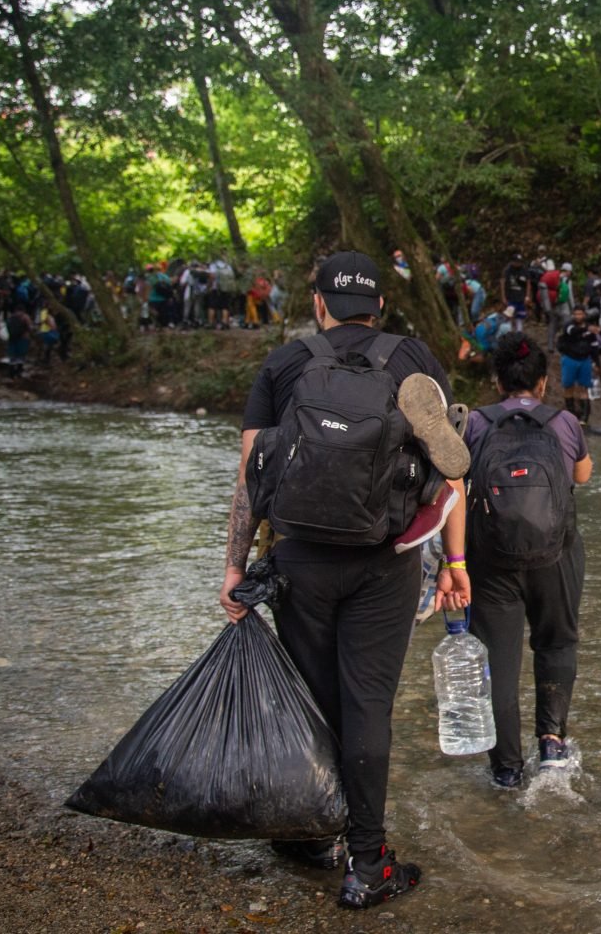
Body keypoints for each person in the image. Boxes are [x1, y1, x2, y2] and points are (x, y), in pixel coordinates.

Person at [218, 251, 473, 909]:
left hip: (299, 555)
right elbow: (451, 481)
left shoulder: (286, 363)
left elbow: (251, 471)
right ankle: (367, 863)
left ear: (320, 304)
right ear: (380, 307)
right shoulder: (413, 358)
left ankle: (314, 833)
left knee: (314, 698)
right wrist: (455, 564)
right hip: (384, 559)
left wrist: (235, 566)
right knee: (367, 706)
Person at [465, 331, 592, 790]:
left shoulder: (475, 423)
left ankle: (506, 768)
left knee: (498, 660)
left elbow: (457, 489)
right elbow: (582, 475)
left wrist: (451, 563)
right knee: (557, 643)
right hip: (555, 552)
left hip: (491, 557)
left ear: (497, 379)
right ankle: (552, 744)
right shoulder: (563, 422)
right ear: (542, 382)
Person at [557, 305, 601, 424]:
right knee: (568, 386)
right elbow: (572, 332)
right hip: (570, 358)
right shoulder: (569, 325)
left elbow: (594, 347)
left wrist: (597, 363)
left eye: (580, 314)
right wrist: (587, 328)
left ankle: (584, 417)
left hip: (585, 360)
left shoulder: (590, 330)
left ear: (584, 315)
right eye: (576, 314)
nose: (578, 316)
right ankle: (571, 413)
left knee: (584, 388)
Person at [500, 257, 530, 330]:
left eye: (519, 262)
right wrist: (503, 297)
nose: (518, 263)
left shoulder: (524, 270)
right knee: (509, 316)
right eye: (516, 262)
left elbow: (528, 283)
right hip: (510, 297)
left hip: (521, 297)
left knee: (519, 317)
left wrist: (527, 296)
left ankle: (519, 333)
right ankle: (508, 332)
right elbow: (502, 283)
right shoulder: (507, 270)